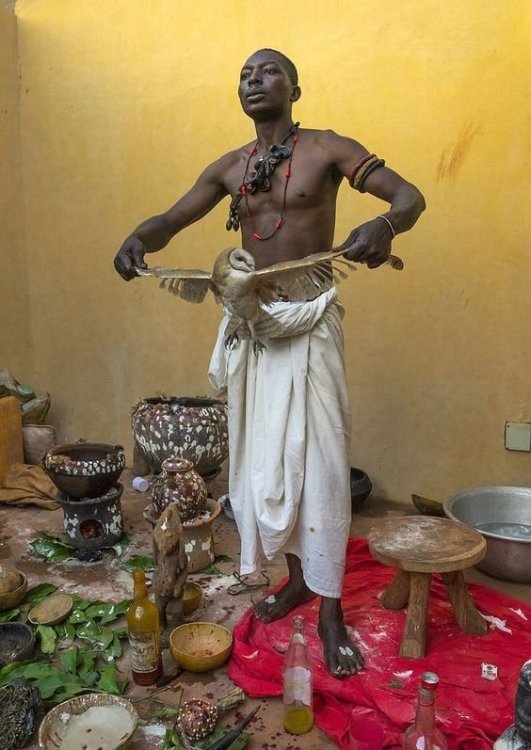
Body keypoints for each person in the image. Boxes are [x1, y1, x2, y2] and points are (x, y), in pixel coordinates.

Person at [114, 48, 426, 677]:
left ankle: (331, 610)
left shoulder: (329, 148)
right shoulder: (231, 167)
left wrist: (387, 225)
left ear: (295, 88)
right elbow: (172, 219)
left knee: (323, 467)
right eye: (245, 74)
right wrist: (138, 239)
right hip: (254, 327)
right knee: (267, 466)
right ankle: (297, 581)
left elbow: (409, 196)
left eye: (268, 71)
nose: (254, 80)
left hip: (311, 322)